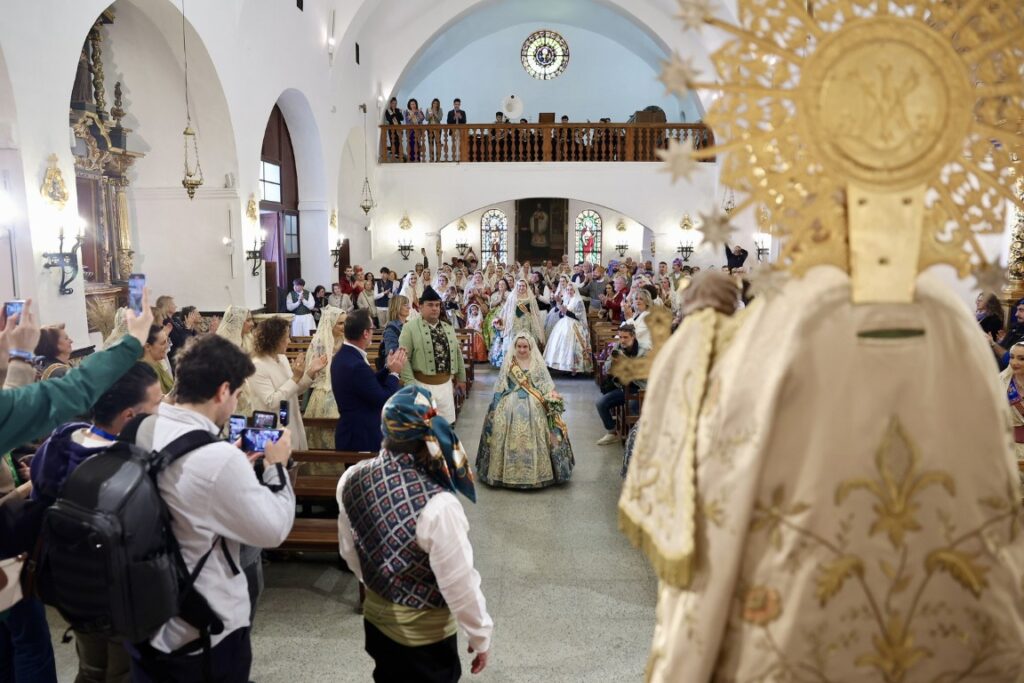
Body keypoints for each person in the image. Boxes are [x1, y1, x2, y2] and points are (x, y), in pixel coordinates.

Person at [125, 335, 295, 682]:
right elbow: (274, 529)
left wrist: (232, 464)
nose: (236, 403)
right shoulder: (217, 458)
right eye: (237, 395)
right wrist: (276, 466)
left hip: (143, 612)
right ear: (222, 390)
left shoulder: (141, 427)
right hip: (202, 628)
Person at [336, 386, 492, 682]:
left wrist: (383, 591)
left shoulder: (351, 478)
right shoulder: (438, 504)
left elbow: (350, 551)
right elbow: (459, 584)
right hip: (424, 639)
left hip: (376, 622)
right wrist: (479, 634)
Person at [28, 362, 162, 683]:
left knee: (90, 667)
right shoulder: (129, 466)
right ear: (130, 416)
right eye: (157, 403)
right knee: (123, 671)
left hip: (68, 584)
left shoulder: (60, 442)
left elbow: (39, 496)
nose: (163, 411)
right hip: (120, 593)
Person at [476, 333, 573, 489]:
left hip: (535, 402)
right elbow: (501, 385)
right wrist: (495, 405)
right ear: (515, 347)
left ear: (530, 347)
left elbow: (546, 385)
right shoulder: (509, 362)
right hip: (509, 401)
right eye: (519, 346)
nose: (522, 350)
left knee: (548, 425)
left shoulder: (536, 363)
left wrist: (552, 397)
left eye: (525, 347)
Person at [248, 316, 327, 452]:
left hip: (291, 421)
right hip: (272, 429)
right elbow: (271, 401)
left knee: (296, 461)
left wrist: (310, 372)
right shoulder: (257, 366)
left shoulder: (282, 358)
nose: (289, 341)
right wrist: (295, 377)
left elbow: (293, 391)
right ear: (274, 340)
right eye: (286, 337)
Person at [332, 309, 405, 451]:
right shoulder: (356, 364)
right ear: (365, 333)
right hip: (361, 437)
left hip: (354, 431)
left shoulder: (345, 355)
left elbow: (366, 384)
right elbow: (383, 399)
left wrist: (387, 369)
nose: (372, 332)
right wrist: (395, 373)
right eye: (372, 329)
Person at [399, 287, 467, 424]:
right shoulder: (409, 328)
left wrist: (461, 378)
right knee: (427, 427)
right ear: (420, 307)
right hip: (423, 387)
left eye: (437, 305)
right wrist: (411, 386)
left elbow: (457, 353)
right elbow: (404, 359)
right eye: (430, 305)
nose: (435, 308)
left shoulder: (448, 327)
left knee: (446, 426)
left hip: (446, 387)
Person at [595, 324, 647, 446]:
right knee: (601, 403)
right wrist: (612, 363)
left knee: (632, 407)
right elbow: (606, 367)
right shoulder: (618, 347)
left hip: (640, 389)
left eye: (625, 337)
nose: (622, 340)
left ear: (633, 336)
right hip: (623, 388)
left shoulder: (644, 350)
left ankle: (635, 438)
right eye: (620, 337)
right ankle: (612, 432)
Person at [544, 281, 592, 374]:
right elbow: (561, 313)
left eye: (571, 290)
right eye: (568, 290)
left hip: (575, 324)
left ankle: (574, 367)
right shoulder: (567, 299)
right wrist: (559, 304)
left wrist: (566, 312)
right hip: (564, 322)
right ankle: (564, 365)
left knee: (572, 345)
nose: (569, 291)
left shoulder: (578, 301)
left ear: (574, 290)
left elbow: (578, 316)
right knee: (561, 342)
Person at [1000, 341, 1024, 483]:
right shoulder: (1000, 382)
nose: (1014, 362)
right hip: (1009, 448)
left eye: (1021, 359)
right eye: (1012, 357)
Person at [500, 279, 546, 352]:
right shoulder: (512, 296)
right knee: (515, 338)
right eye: (519, 286)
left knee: (526, 338)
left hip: (527, 321)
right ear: (517, 286)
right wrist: (500, 318)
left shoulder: (531, 297)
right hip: (515, 322)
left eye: (523, 286)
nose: (521, 287)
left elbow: (535, 310)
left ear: (526, 287)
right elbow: (506, 309)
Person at [141, 324, 174, 395]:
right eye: (162, 343)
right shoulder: (143, 373)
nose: (167, 346)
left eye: (167, 341)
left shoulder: (158, 364)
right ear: (147, 346)